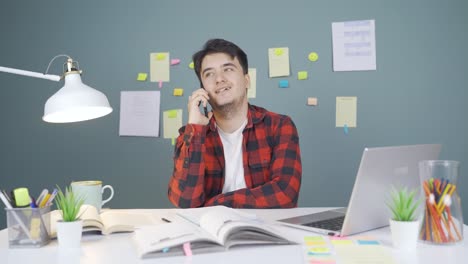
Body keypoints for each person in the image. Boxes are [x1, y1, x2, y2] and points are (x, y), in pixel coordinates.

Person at [168, 39, 302, 208]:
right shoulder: (190, 136)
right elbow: (185, 202)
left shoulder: (279, 126)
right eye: (209, 74)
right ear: (203, 90)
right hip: (210, 232)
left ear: (247, 80)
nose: (219, 79)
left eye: (228, 69)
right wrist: (195, 130)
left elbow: (285, 194)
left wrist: (216, 204)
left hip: (266, 231)